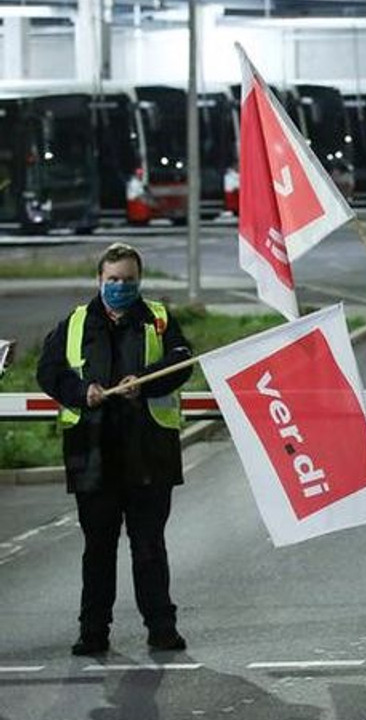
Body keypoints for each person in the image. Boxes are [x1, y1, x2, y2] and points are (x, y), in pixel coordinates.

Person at [36, 242, 193, 656]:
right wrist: (79, 391)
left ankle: (161, 628)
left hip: (148, 452)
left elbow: (182, 359)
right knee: (98, 549)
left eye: (127, 280)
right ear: (99, 280)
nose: (120, 287)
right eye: (113, 280)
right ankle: (93, 632)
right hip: (93, 454)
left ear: (138, 280)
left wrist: (144, 380)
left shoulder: (157, 319)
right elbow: (47, 371)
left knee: (149, 547)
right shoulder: (74, 323)